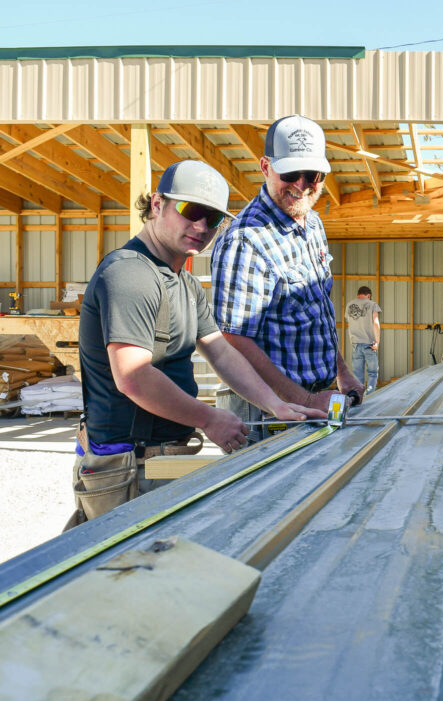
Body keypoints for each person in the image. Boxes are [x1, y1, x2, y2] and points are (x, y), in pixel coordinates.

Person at [72, 160, 326, 527]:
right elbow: (133, 377)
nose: (201, 227)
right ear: (157, 205)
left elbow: (221, 350)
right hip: (128, 466)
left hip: (160, 460)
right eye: (191, 211)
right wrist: (208, 418)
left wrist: (277, 405)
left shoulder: (185, 284)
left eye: (213, 219)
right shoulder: (130, 274)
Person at [212, 114, 364, 442]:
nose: (301, 184)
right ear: (266, 167)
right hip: (267, 413)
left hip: (312, 401)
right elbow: (234, 339)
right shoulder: (246, 238)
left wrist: (342, 373)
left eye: (313, 175)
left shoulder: (313, 226)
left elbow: (316, 314)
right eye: (291, 173)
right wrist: (304, 400)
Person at [345, 286, 381, 394]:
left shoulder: (349, 305)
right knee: (372, 373)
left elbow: (350, 322)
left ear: (358, 294)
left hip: (355, 344)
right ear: (369, 295)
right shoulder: (372, 304)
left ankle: (359, 397)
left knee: (357, 374)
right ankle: (370, 396)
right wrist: (377, 342)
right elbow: (375, 322)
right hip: (369, 344)